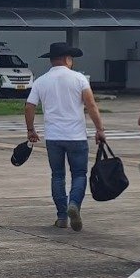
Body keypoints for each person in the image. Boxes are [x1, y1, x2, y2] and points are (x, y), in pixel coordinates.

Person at [25, 42, 107, 231]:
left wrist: (31, 130)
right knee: (79, 174)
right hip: (76, 136)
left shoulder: (41, 81)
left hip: (53, 137)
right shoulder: (79, 79)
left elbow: (29, 106)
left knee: (57, 175)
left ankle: (62, 217)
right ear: (67, 59)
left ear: (52, 60)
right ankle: (74, 204)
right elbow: (91, 105)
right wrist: (100, 129)